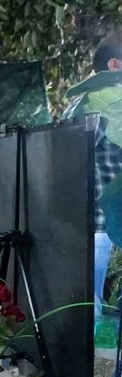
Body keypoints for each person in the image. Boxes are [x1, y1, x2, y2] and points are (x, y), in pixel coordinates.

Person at [62, 30, 122, 317]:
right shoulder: (101, 100)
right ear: (114, 65)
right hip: (102, 227)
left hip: (100, 226)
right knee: (96, 312)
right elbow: (73, 156)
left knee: (95, 309)